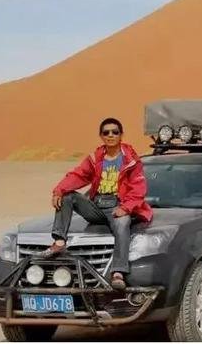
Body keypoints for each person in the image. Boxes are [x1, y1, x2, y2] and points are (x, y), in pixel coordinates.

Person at [39, 118, 153, 290]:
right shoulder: (95, 158)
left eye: (115, 132)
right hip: (97, 205)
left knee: (123, 223)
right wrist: (59, 190)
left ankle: (118, 273)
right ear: (101, 136)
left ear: (121, 135)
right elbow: (78, 175)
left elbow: (138, 188)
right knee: (68, 196)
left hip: (118, 206)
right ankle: (59, 242)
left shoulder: (131, 160)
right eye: (106, 132)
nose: (110, 135)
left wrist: (126, 208)